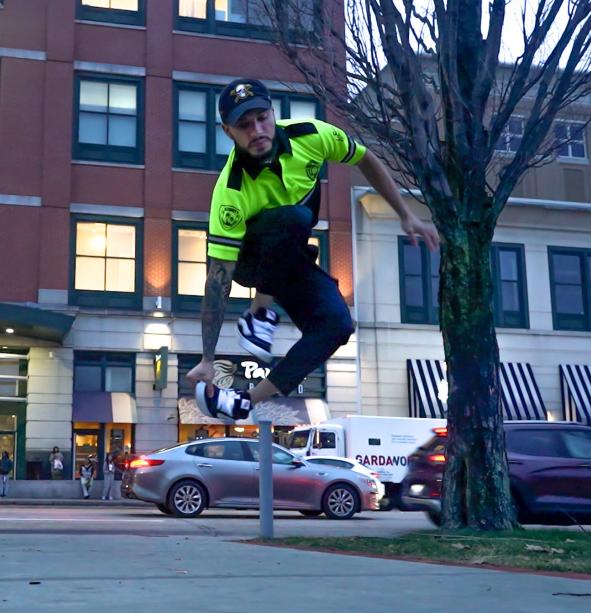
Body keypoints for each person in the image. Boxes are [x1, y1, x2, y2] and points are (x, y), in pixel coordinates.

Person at [188, 78, 439, 421]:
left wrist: (406, 214)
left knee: (337, 324)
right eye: (244, 126)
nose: (257, 131)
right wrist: (207, 357)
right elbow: (218, 278)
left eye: (262, 118)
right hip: (252, 261)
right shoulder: (230, 191)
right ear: (228, 132)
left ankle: (246, 401)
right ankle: (259, 312)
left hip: (291, 257)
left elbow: (365, 158)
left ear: (273, 112)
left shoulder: (311, 135)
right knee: (292, 217)